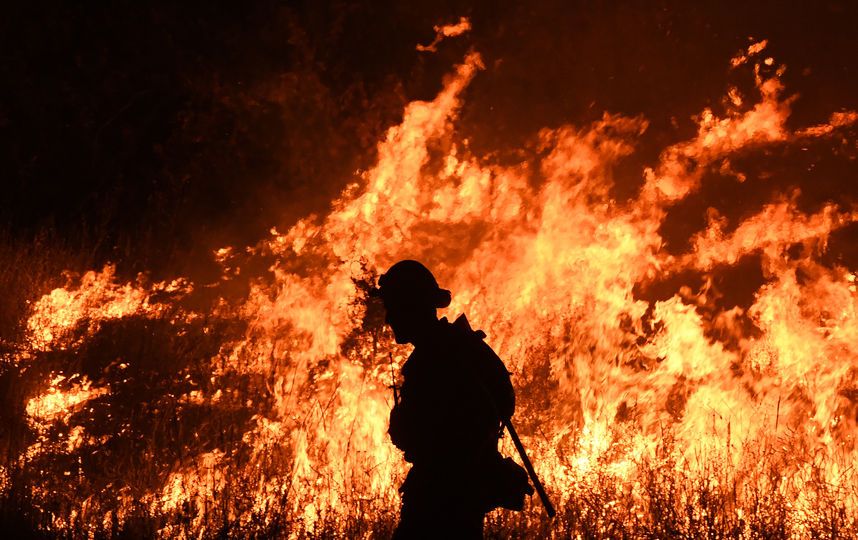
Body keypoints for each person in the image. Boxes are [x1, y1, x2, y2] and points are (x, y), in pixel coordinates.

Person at [372, 260, 532, 539]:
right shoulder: (459, 348)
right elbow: (503, 405)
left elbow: (422, 433)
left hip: (440, 498)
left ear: (412, 307)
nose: (389, 318)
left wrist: (402, 426)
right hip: (461, 495)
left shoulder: (435, 359)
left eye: (394, 308)